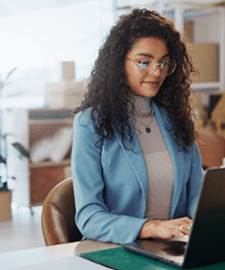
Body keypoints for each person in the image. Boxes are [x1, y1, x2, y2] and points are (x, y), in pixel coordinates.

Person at [71, 8, 203, 245]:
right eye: (144, 62)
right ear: (119, 63)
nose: (157, 72)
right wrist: (151, 227)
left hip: (174, 248)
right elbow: (89, 218)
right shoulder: (90, 123)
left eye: (164, 63)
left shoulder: (178, 119)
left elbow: (196, 195)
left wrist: (215, 214)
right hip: (116, 249)